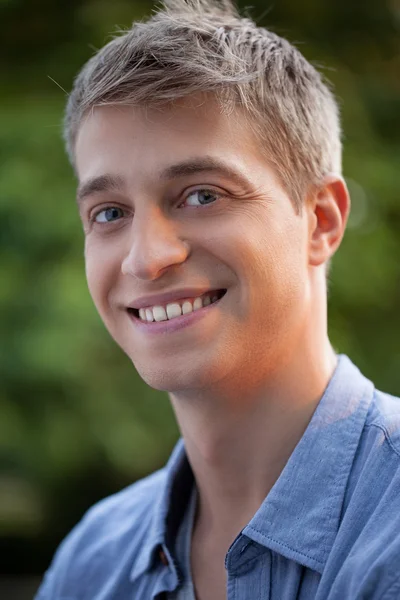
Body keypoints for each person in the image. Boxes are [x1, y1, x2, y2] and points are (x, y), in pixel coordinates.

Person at [35, 0, 400, 598]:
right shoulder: (90, 562)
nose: (145, 257)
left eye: (201, 195)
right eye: (109, 212)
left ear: (322, 221)